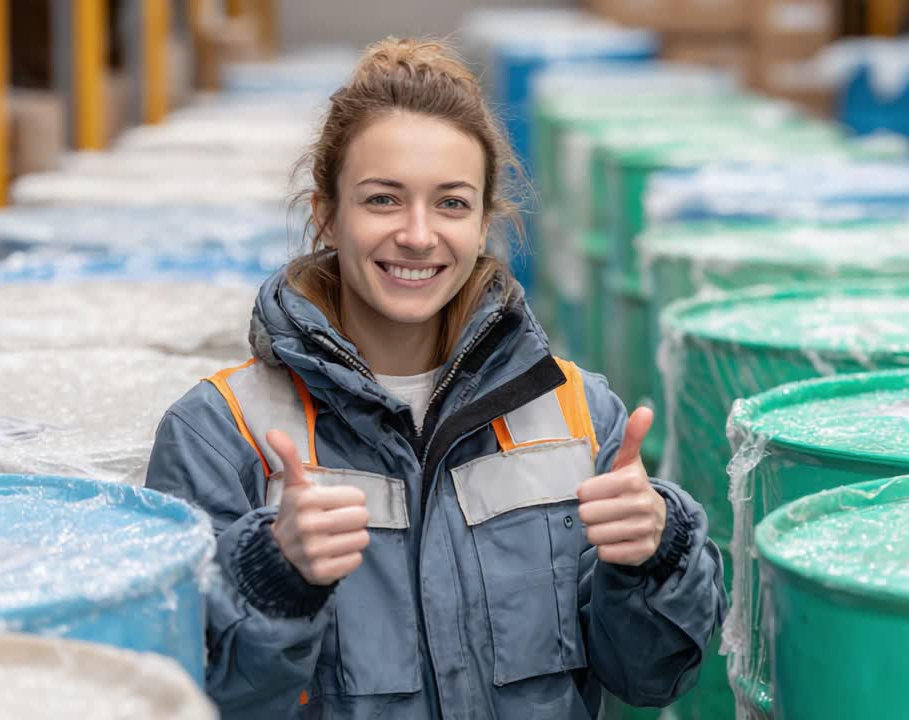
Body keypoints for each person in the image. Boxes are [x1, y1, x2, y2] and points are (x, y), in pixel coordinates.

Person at [146, 37, 726, 720]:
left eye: (451, 204)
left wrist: (656, 556)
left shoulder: (573, 410)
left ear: (484, 222)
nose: (419, 235)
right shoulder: (221, 431)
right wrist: (273, 579)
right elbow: (194, 695)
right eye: (383, 200)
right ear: (326, 214)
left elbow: (648, 679)